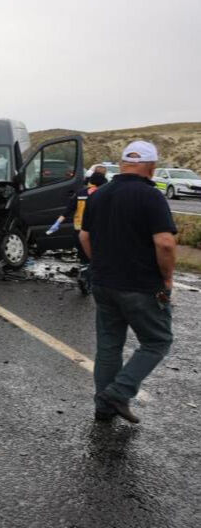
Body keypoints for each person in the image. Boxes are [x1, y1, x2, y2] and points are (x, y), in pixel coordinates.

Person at [80, 141, 177, 424]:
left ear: (122, 165)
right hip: (141, 285)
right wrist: (168, 278)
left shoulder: (98, 195)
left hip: (104, 281)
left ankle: (104, 407)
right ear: (151, 167)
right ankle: (119, 392)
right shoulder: (151, 196)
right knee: (157, 341)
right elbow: (166, 243)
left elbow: (85, 237)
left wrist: (99, 264)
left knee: (109, 344)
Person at [46, 169, 108, 294]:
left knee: (83, 257)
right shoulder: (103, 194)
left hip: (78, 231)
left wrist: (57, 223)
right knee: (94, 258)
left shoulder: (80, 194)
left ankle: (84, 275)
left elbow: (67, 211)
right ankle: (88, 281)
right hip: (96, 232)